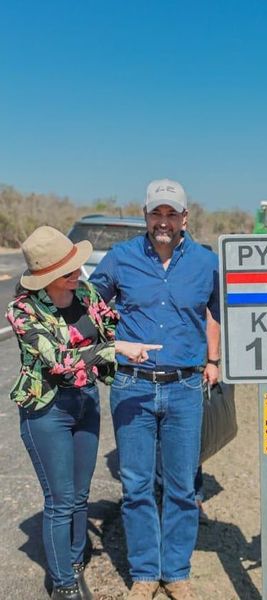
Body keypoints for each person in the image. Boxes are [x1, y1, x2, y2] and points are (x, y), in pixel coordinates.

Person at [6, 226, 159, 600]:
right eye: (71, 268)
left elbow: (111, 321)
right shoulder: (23, 310)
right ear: (49, 275)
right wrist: (117, 349)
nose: (79, 271)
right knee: (60, 499)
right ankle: (64, 584)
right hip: (48, 409)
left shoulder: (86, 292)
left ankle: (74, 560)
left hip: (85, 400)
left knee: (80, 495)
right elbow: (59, 361)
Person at [90, 179, 220, 600]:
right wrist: (107, 346)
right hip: (132, 387)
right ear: (145, 215)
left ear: (185, 217)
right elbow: (90, 307)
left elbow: (219, 313)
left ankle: (176, 571)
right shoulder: (121, 257)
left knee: (182, 486)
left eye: (171, 214)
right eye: (156, 213)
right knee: (137, 484)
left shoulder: (206, 262)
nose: (163, 221)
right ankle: (146, 572)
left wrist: (213, 360)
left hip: (185, 388)